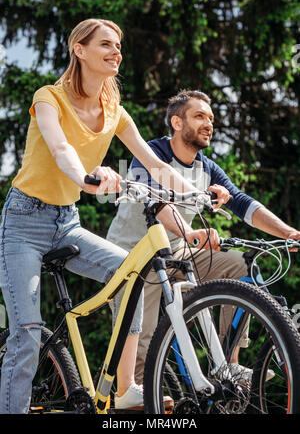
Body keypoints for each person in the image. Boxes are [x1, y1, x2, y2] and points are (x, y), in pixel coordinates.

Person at [0, 21, 231, 414]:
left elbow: (155, 164)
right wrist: (90, 177)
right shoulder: (49, 98)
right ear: (80, 50)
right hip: (23, 223)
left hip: (65, 221)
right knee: (27, 334)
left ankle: (125, 388)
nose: (116, 52)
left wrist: (195, 193)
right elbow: (60, 150)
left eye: (119, 45)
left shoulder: (114, 111)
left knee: (131, 275)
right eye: (105, 44)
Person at [107, 89, 300, 385]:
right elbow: (154, 205)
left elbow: (243, 203)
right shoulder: (152, 153)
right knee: (140, 339)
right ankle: (131, 396)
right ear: (177, 122)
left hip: (178, 253)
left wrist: (288, 232)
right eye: (199, 116)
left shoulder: (206, 168)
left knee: (240, 268)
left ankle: (228, 362)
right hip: (134, 256)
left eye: (211, 118)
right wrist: (190, 232)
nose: (209, 123)